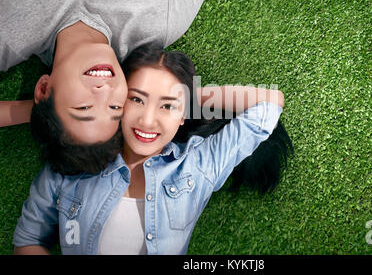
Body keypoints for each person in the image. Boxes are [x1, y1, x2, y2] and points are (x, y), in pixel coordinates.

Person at [13, 45, 287, 254]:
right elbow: (29, 239)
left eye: (167, 106)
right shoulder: (75, 158)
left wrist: (189, 95)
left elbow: (269, 104)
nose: (147, 120)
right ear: (118, 99)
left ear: (183, 115)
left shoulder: (199, 165)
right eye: (137, 99)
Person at [0, 0, 231, 173]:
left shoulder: (9, 34)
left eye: (83, 108)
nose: (104, 91)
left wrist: (39, 110)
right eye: (114, 107)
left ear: (42, 88)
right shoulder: (158, 22)